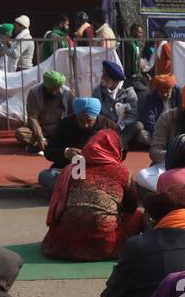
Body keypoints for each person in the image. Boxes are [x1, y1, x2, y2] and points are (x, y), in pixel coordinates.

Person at [41, 129, 141, 261]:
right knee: (138, 215)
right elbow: (131, 207)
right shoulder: (122, 172)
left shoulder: (74, 169)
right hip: (105, 246)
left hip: (64, 245)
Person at [39, 96, 119, 191]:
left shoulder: (110, 127)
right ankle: (83, 192)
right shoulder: (65, 125)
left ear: (96, 116)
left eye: (89, 121)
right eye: (81, 120)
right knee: (45, 176)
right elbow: (49, 152)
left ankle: (76, 192)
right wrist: (66, 152)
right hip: (69, 172)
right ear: (76, 115)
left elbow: (120, 154)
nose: (85, 125)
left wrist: (98, 156)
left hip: (98, 172)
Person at [15, 69, 72, 155]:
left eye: (58, 88)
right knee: (20, 133)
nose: (56, 91)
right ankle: (44, 143)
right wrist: (40, 137)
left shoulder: (67, 92)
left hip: (60, 128)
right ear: (46, 86)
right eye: (53, 89)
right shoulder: (34, 93)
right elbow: (32, 117)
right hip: (41, 129)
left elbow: (72, 114)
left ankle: (40, 145)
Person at [93, 60, 142, 147]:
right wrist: (109, 125)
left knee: (138, 125)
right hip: (106, 126)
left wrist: (120, 126)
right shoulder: (98, 91)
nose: (102, 77)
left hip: (122, 127)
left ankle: (119, 143)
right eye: (103, 74)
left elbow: (132, 115)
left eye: (106, 76)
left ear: (114, 80)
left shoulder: (129, 92)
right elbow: (96, 113)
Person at [137, 73, 179, 149]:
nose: (165, 94)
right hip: (158, 130)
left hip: (174, 130)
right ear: (157, 90)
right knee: (142, 135)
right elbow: (148, 121)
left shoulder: (179, 94)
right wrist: (161, 133)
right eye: (162, 92)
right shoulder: (151, 97)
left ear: (172, 89)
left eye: (167, 92)